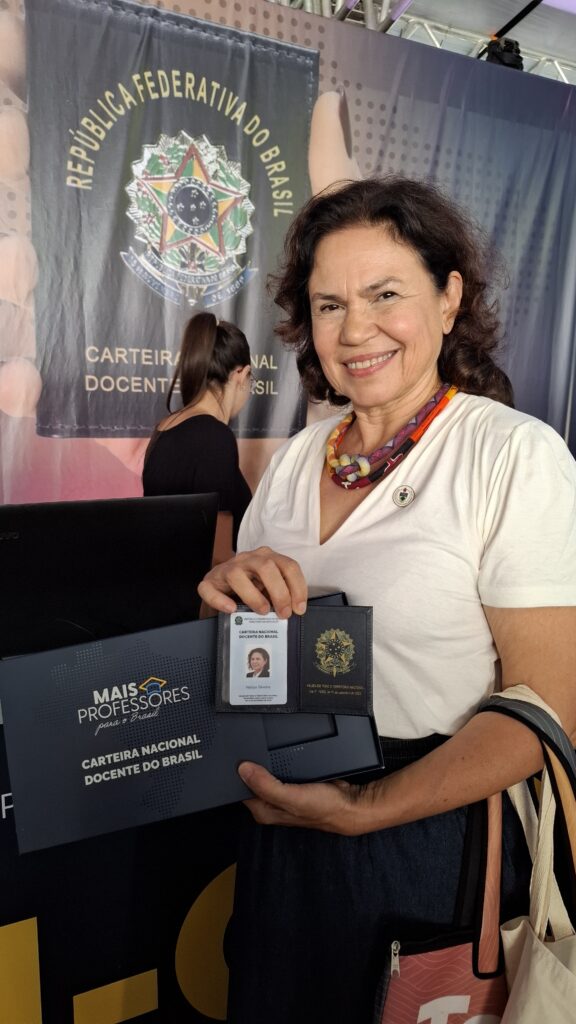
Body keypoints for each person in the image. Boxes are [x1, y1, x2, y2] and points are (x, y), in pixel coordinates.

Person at [198, 177, 576, 1024]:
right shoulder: (296, 460)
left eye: (385, 295)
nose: (355, 329)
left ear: (448, 299)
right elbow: (233, 658)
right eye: (329, 304)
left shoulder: (511, 456)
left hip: (428, 842)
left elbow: (549, 706)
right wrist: (223, 602)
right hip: (281, 828)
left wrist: (367, 810)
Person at [142, 312, 252, 565]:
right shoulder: (216, 437)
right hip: (200, 589)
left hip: (161, 581)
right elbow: (218, 558)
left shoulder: (164, 428)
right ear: (241, 374)